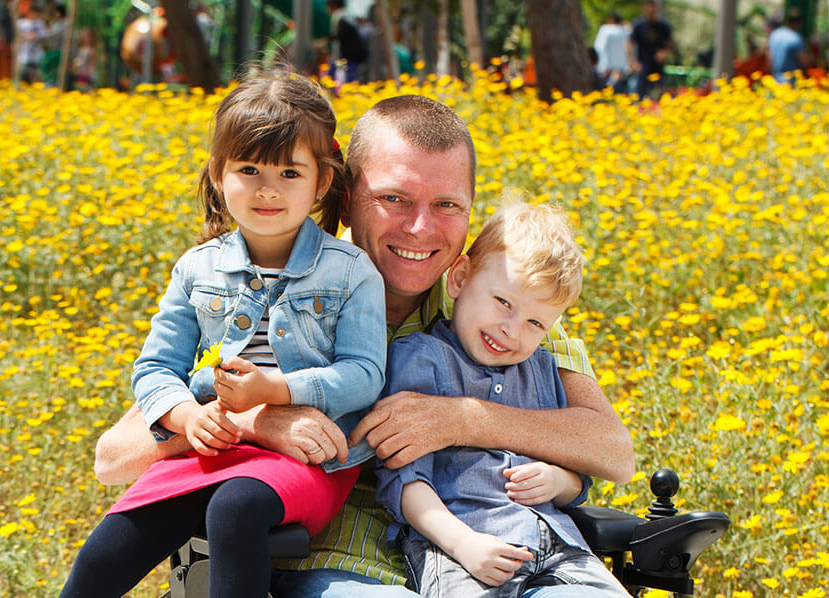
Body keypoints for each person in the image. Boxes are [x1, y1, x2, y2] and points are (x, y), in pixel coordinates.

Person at [94, 93, 635, 597]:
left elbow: (612, 450)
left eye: (448, 204)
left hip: (488, 553)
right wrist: (260, 418)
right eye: (394, 199)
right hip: (333, 561)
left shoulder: (500, 306)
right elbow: (114, 456)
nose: (421, 228)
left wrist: (463, 418)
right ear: (346, 196)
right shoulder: (295, 286)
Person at [59, 70, 387, 598]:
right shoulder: (196, 269)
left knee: (234, 508)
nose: (267, 189)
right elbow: (154, 367)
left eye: (289, 172)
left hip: (309, 460)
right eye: (249, 168)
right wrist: (188, 418)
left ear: (322, 182)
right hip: (210, 443)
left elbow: (365, 374)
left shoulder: (350, 273)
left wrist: (275, 391)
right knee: (104, 552)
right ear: (218, 172)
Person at [375, 203, 630, 597]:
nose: (511, 331)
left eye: (535, 323)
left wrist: (558, 480)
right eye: (504, 303)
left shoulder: (542, 369)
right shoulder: (421, 360)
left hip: (559, 547)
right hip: (463, 548)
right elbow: (405, 479)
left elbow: (578, 479)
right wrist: (462, 544)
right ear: (459, 278)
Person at [627, 0, 673, 99]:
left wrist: (664, 53)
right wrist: (633, 62)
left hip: (658, 67)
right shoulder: (638, 25)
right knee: (641, 97)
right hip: (643, 66)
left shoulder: (663, 26)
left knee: (660, 96)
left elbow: (670, 45)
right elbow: (628, 44)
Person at [767, 8, 810, 85]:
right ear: (798, 23)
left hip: (775, 81)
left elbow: (769, 58)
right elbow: (805, 62)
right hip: (792, 82)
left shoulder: (774, 35)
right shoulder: (796, 39)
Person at [593, 12, 630, 93]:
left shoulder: (605, 30)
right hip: (622, 69)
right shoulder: (626, 31)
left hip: (606, 68)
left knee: (606, 90)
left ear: (611, 20)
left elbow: (599, 48)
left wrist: (602, 65)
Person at [15, 3, 45, 83]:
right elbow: (18, 37)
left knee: (37, 79)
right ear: (29, 13)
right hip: (23, 55)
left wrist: (30, 36)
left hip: (37, 56)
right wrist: (29, 36)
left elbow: (42, 36)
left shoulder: (40, 23)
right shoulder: (21, 23)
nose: (36, 15)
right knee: (21, 78)